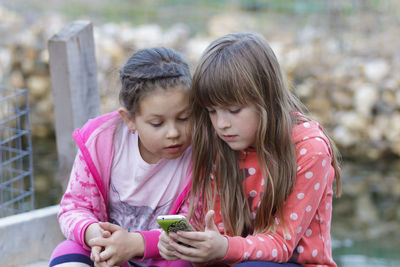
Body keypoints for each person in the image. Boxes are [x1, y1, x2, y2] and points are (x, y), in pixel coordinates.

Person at [158, 32, 342, 267]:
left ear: (265, 99)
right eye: (212, 111)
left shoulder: (309, 149)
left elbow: (281, 245)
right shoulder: (220, 143)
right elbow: (219, 231)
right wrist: (186, 243)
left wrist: (222, 247)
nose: (222, 124)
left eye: (234, 110)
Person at [49, 47, 194, 267]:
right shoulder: (100, 142)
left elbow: (194, 224)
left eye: (184, 118)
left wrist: (137, 244)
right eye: (157, 123)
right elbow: (74, 207)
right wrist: (95, 234)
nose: (173, 132)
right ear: (129, 119)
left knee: (183, 261)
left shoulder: (201, 153)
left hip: (164, 256)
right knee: (67, 251)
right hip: (108, 254)